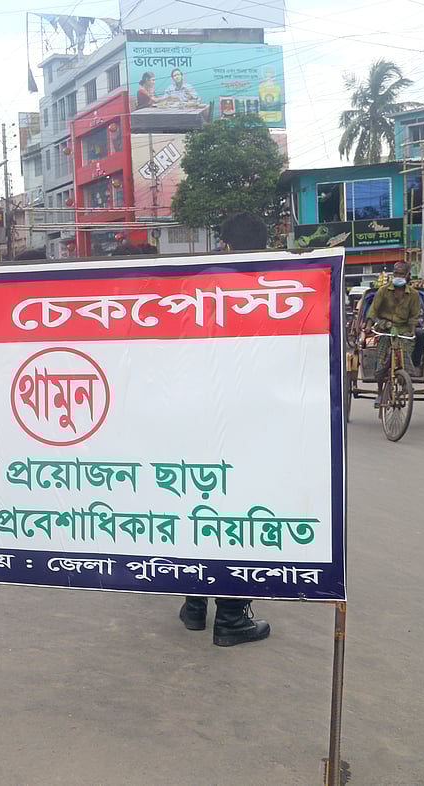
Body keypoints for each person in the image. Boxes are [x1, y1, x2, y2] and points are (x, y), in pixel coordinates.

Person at [179, 211, 271, 646]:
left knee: (201, 508)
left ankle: (195, 604)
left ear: (226, 245)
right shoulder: (274, 291)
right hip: (247, 423)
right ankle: (232, 616)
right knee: (241, 516)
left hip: (196, 419)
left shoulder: (195, 288)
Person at [369, 261, 421, 405]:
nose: (398, 276)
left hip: (403, 330)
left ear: (407, 276)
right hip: (385, 328)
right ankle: (379, 392)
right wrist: (367, 324)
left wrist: (411, 332)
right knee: (381, 360)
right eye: (396, 273)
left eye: (401, 274)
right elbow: (373, 310)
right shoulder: (383, 291)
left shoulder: (414, 295)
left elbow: (414, 317)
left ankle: (406, 381)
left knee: (404, 351)